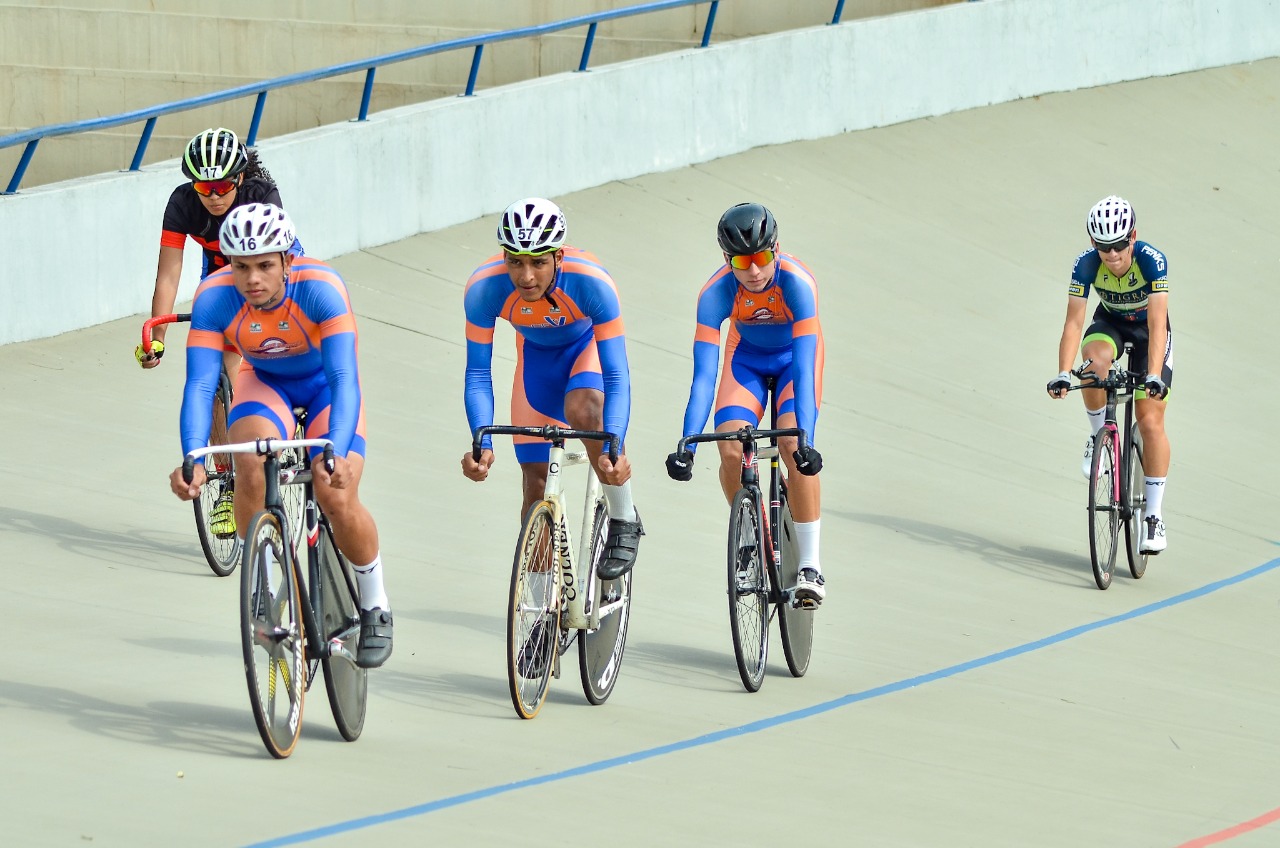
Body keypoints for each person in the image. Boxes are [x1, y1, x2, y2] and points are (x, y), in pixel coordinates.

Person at [167, 203, 393, 668]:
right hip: (265, 382)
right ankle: (268, 584)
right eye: (241, 266)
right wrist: (193, 457)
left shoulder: (322, 289)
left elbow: (345, 379)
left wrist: (336, 450)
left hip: (326, 387)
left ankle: (375, 602)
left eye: (265, 265)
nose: (252, 279)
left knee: (337, 492)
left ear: (288, 261)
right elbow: (201, 385)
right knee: (248, 457)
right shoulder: (213, 297)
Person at [460, 197, 643, 582]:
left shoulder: (591, 282)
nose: (526, 276)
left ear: (558, 256)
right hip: (536, 365)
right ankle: (540, 620)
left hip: (584, 353)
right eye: (515, 262)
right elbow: (478, 373)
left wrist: (615, 443)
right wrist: (482, 442)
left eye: (538, 262)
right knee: (535, 486)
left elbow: (616, 374)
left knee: (583, 410)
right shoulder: (484, 288)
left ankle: (624, 518)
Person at [139, 127, 299, 540]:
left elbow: (279, 264)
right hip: (220, 271)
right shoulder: (182, 204)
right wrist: (158, 335)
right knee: (217, 374)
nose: (212, 194)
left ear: (240, 178)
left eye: (222, 185)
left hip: (266, 264)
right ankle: (228, 480)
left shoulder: (262, 192)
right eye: (203, 186)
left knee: (275, 338)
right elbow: (169, 272)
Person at [665, 202, 827, 604]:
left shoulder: (798, 284)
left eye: (762, 258)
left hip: (794, 361)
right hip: (746, 360)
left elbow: (805, 370)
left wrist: (806, 437)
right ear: (726, 259)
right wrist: (686, 442)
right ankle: (750, 532)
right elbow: (704, 378)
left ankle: (811, 565)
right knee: (731, 445)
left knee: (791, 445)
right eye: (741, 260)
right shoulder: (715, 293)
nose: (754, 271)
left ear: (776, 249)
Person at [1047, 195, 1171, 554]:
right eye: (1104, 248)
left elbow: (1158, 321)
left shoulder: (1152, 261)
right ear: (1093, 244)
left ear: (1132, 237)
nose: (1113, 256)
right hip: (1111, 324)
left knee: (1150, 422)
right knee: (1091, 367)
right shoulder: (1085, 265)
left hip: (1150, 332)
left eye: (1118, 246)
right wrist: (1060, 372)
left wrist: (1153, 375)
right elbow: (1074, 322)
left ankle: (1154, 515)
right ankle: (1098, 436)